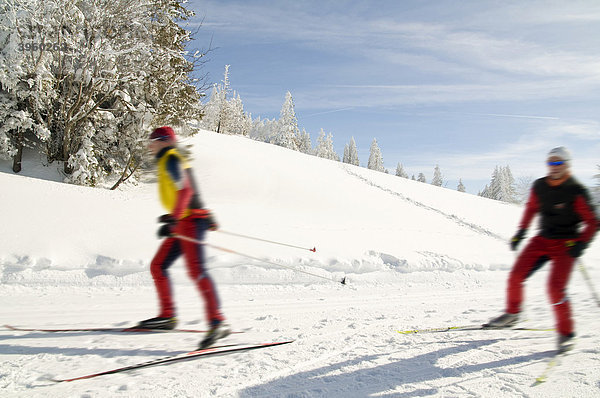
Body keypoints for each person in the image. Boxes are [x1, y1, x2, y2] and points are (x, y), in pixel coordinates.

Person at [485, 147, 597, 351]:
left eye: (558, 163)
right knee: (515, 276)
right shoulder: (540, 186)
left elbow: (592, 221)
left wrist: (582, 243)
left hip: (567, 244)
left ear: (566, 165)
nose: (554, 167)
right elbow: (531, 208)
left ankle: (567, 333)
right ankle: (512, 314)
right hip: (542, 240)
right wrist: (521, 232)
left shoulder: (576, 190)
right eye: (551, 163)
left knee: (554, 288)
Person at [137, 126, 230, 349]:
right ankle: (168, 317)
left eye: (153, 141)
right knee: (158, 266)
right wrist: (171, 217)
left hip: (190, 222)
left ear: (164, 141)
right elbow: (184, 191)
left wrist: (174, 219)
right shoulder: (167, 160)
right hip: (183, 221)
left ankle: (217, 322)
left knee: (196, 270)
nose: (150, 145)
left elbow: (185, 191)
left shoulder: (171, 157)